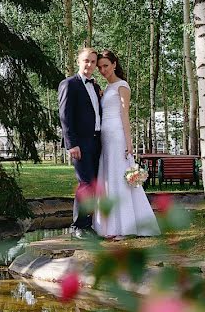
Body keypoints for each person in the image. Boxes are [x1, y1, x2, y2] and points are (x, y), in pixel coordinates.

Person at [93, 50, 160, 239]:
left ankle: (125, 226)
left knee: (119, 178)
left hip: (117, 135)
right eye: (100, 67)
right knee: (108, 176)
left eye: (106, 65)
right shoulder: (107, 88)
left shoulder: (122, 86)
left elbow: (124, 114)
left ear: (115, 64)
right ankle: (109, 225)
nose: (103, 70)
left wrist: (129, 143)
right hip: (105, 136)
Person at [58, 48, 102, 239]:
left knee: (94, 183)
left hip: (97, 141)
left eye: (93, 62)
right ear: (78, 61)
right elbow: (64, 116)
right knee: (85, 183)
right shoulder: (69, 84)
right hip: (80, 144)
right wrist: (71, 144)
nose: (89, 65)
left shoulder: (94, 85)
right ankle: (78, 226)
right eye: (86, 61)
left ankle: (87, 223)